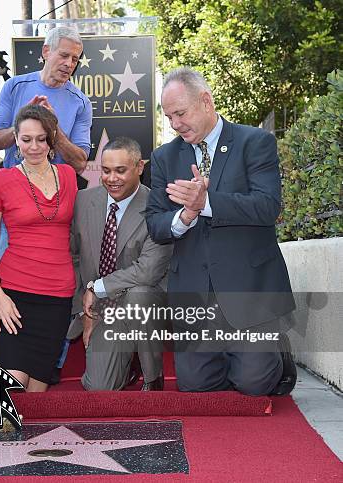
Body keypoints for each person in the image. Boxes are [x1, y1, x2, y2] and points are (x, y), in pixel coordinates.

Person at [145, 67, 297, 396]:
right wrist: (185, 215)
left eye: (180, 114)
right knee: (196, 386)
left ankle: (274, 356)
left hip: (250, 286)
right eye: (169, 116)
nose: (175, 124)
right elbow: (156, 223)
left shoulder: (255, 142)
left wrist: (208, 202)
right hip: (194, 291)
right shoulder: (163, 157)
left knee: (254, 384)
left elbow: (268, 206)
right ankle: (235, 357)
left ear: (206, 101)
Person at [0, 25, 92, 367]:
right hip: (13, 204)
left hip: (56, 207)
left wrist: (52, 130)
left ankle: (50, 367)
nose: (69, 64)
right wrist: (26, 121)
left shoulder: (79, 101)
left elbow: (80, 161)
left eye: (75, 59)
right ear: (45, 52)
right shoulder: (16, 87)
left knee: (58, 286)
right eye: (63, 55)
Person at [0, 105, 77, 392]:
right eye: (26, 139)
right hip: (13, 295)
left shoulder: (69, 176)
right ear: (15, 139)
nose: (34, 146)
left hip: (58, 297)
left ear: (52, 141)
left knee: (36, 393)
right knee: (14, 384)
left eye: (41, 139)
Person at [68, 137, 173, 391]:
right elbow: (74, 259)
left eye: (120, 170)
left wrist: (97, 288)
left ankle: (152, 377)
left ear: (140, 167)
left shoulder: (158, 207)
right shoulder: (83, 202)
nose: (111, 178)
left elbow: (148, 271)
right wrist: (85, 312)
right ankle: (127, 368)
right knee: (100, 389)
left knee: (139, 296)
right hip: (104, 310)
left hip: (147, 306)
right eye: (106, 170)